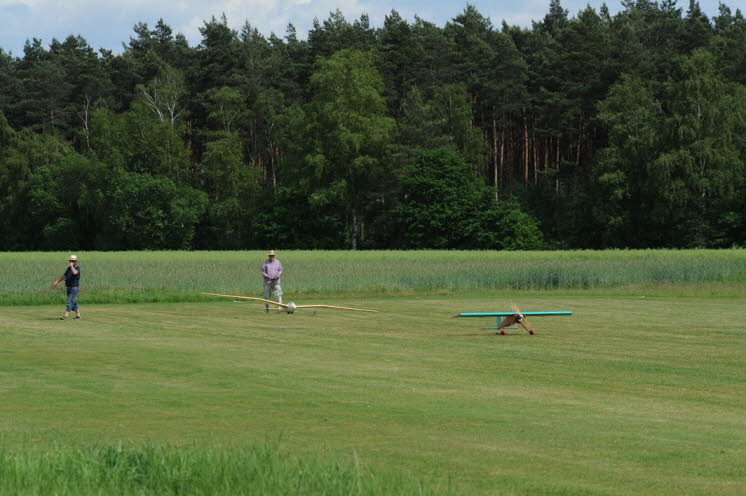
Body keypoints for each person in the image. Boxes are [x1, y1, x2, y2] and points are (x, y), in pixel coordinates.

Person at [53, 254, 82, 320]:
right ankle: (78, 315)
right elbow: (64, 276)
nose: (71, 262)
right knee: (73, 301)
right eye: (70, 261)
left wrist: (72, 267)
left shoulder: (77, 268)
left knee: (70, 301)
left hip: (74, 288)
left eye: (73, 261)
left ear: (76, 261)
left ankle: (66, 316)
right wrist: (57, 281)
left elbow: (75, 273)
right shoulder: (69, 268)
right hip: (68, 287)